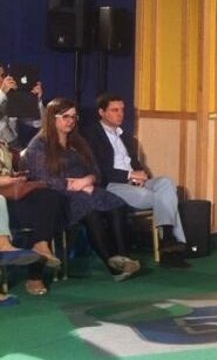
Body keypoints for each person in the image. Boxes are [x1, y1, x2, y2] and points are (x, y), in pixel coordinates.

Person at [23, 98, 142, 281]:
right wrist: (74, 186)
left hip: (87, 187)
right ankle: (113, 267)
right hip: (60, 195)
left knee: (116, 204)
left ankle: (123, 257)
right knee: (89, 209)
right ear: (52, 118)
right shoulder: (39, 145)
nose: (70, 121)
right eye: (65, 116)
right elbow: (43, 178)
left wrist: (87, 180)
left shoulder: (78, 142)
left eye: (73, 117)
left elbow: (96, 171)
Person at [84, 93, 191, 265]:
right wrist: (129, 175)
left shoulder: (126, 137)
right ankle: (170, 244)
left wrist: (141, 174)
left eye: (122, 110)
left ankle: (167, 239)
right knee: (159, 197)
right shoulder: (91, 135)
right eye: (114, 110)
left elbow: (134, 163)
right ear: (101, 112)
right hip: (113, 184)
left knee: (166, 184)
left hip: (134, 181)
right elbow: (98, 169)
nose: (120, 114)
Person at [1, 145, 63, 296]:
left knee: (50, 197)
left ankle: (41, 247)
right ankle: (35, 276)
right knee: (37, 216)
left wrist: (16, 176)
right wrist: (7, 180)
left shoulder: (3, 144)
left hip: (11, 196)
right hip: (3, 202)